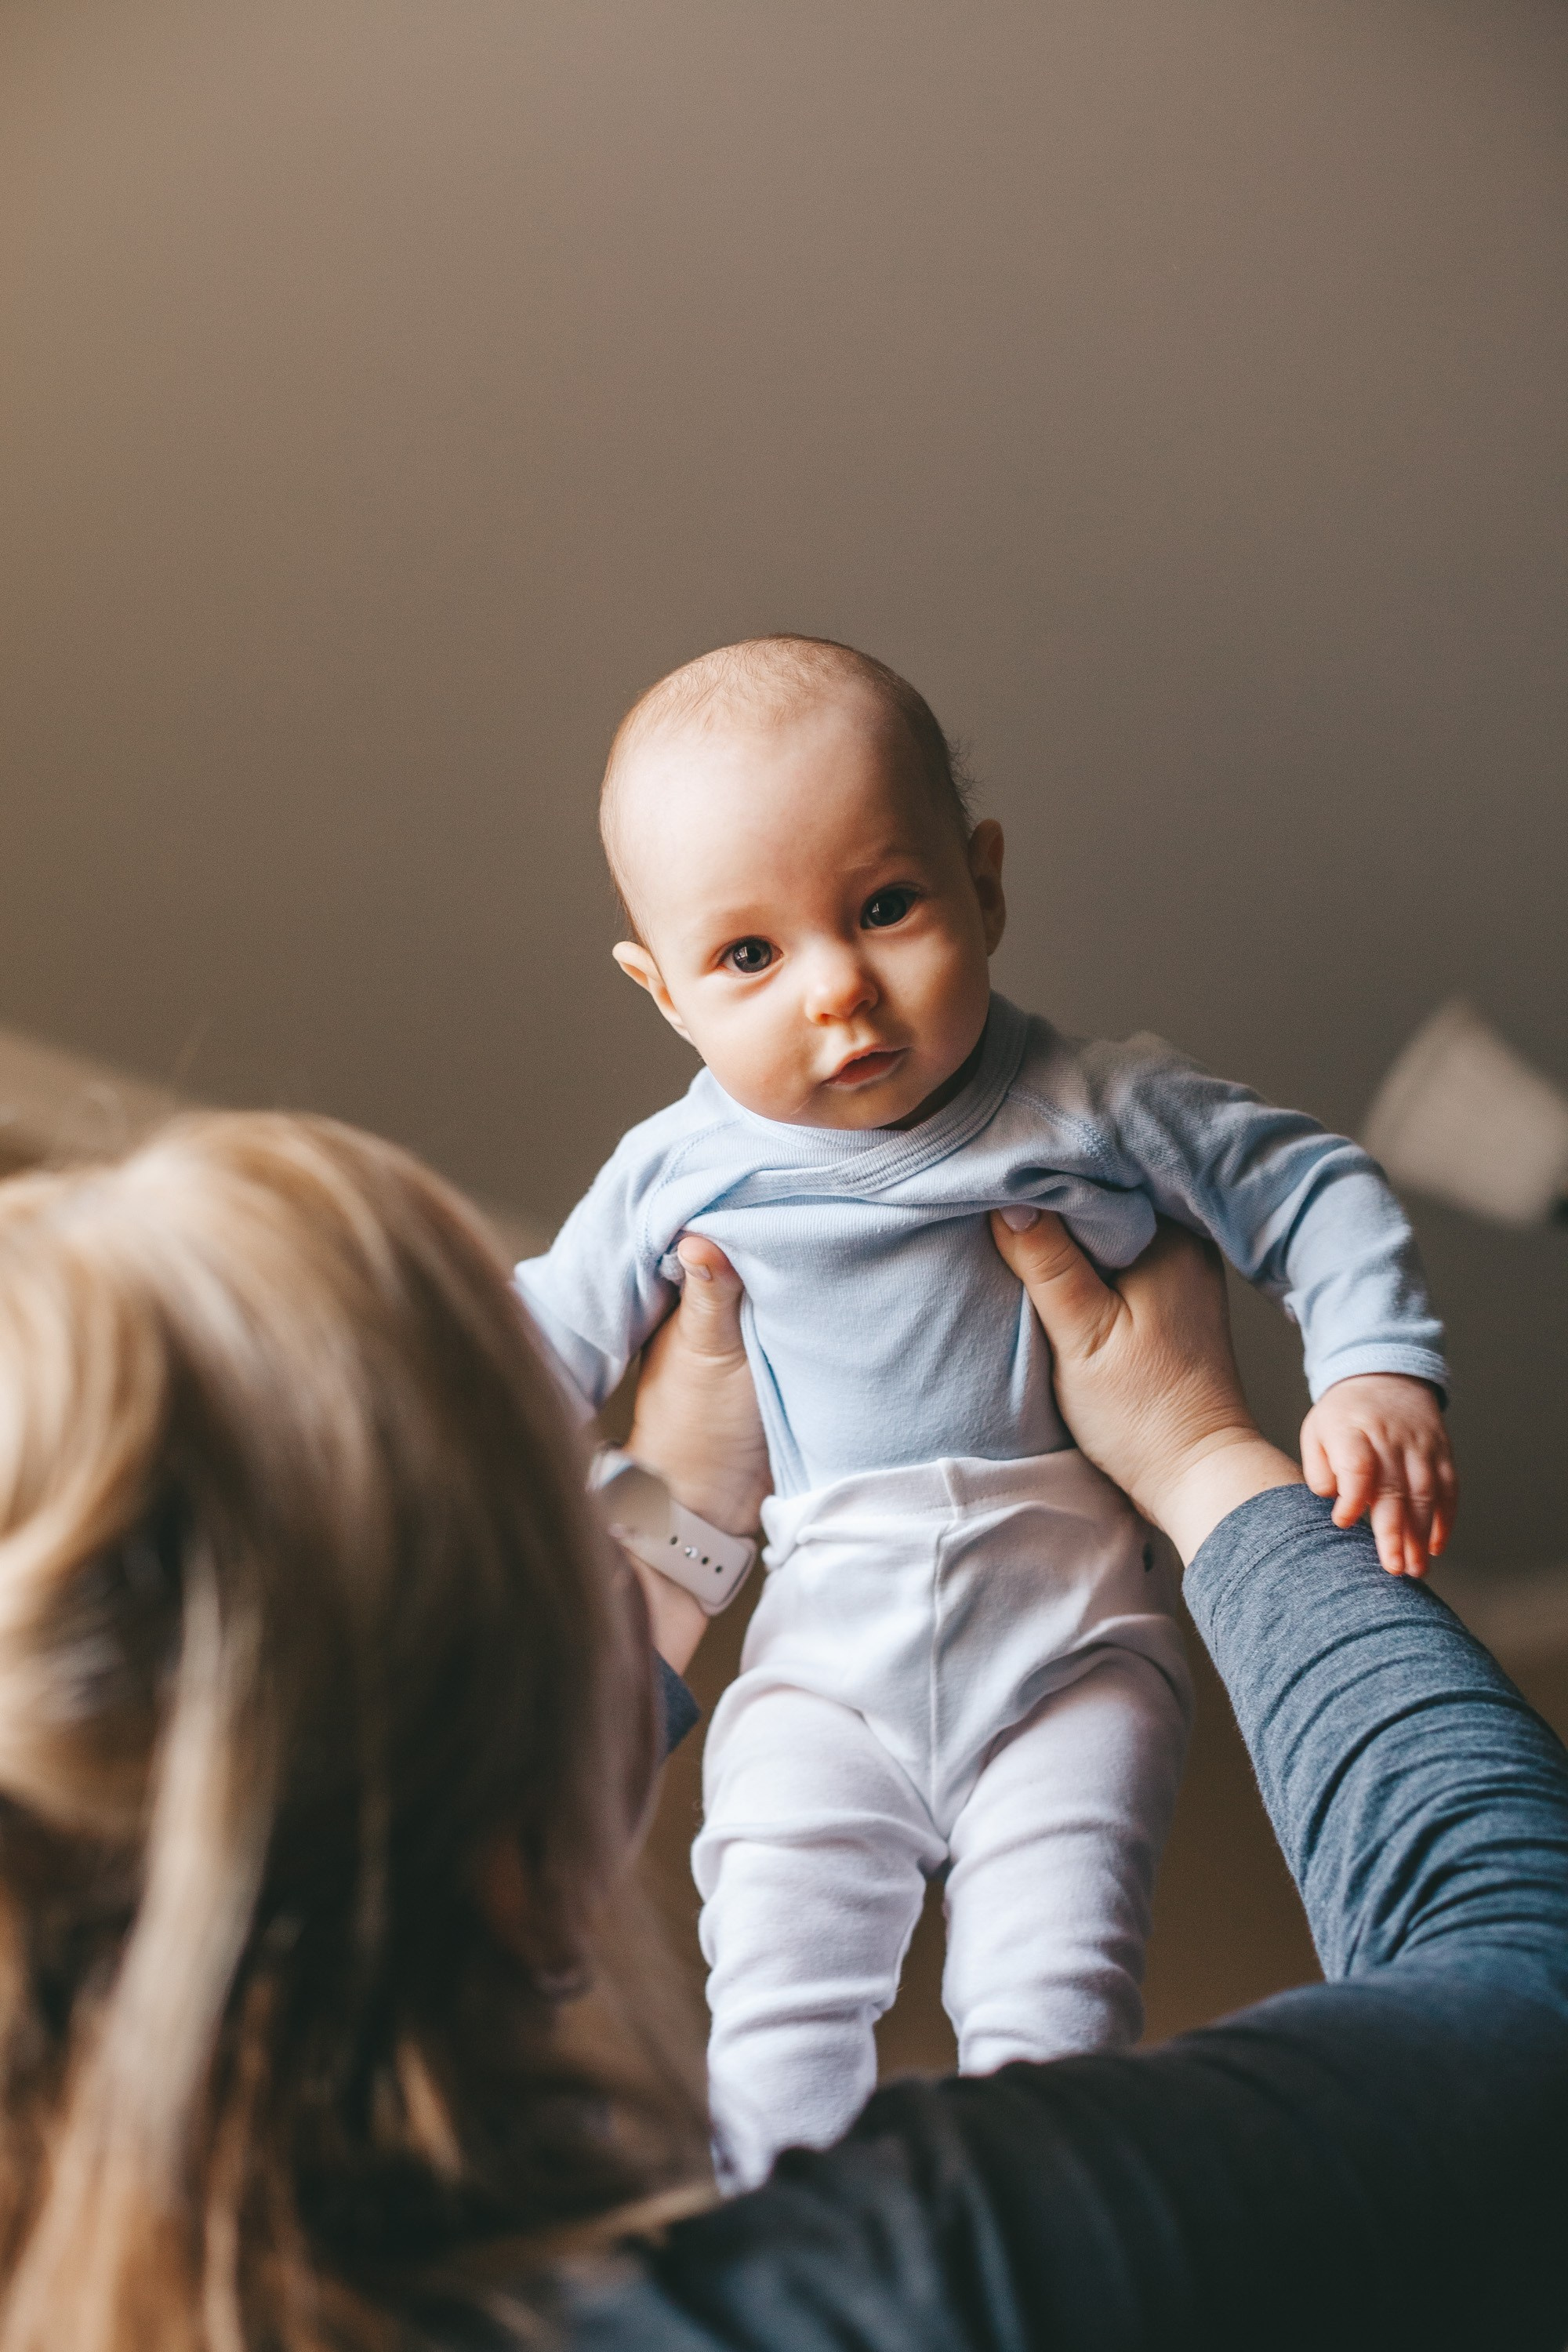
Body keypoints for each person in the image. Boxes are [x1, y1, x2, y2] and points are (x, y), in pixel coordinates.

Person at [0, 1111, 1563, 2351]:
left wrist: (676, 1519)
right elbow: (1531, 1990)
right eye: (567, 1510)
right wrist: (1202, 1453)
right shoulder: (911, 2270)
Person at [514, 632, 1457, 2183]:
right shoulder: (675, 1169)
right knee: (772, 2013)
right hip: (823, 1655)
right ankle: (788, 2241)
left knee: (1052, 2012)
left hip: (1073, 1643)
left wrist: (1372, 1368)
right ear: (663, 992)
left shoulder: (1094, 1103)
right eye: (747, 956)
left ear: (985, 884)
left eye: (885, 906)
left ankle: (1041, 2234)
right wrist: (597, 1500)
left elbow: (1312, 1188)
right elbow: (529, 1353)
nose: (838, 988)